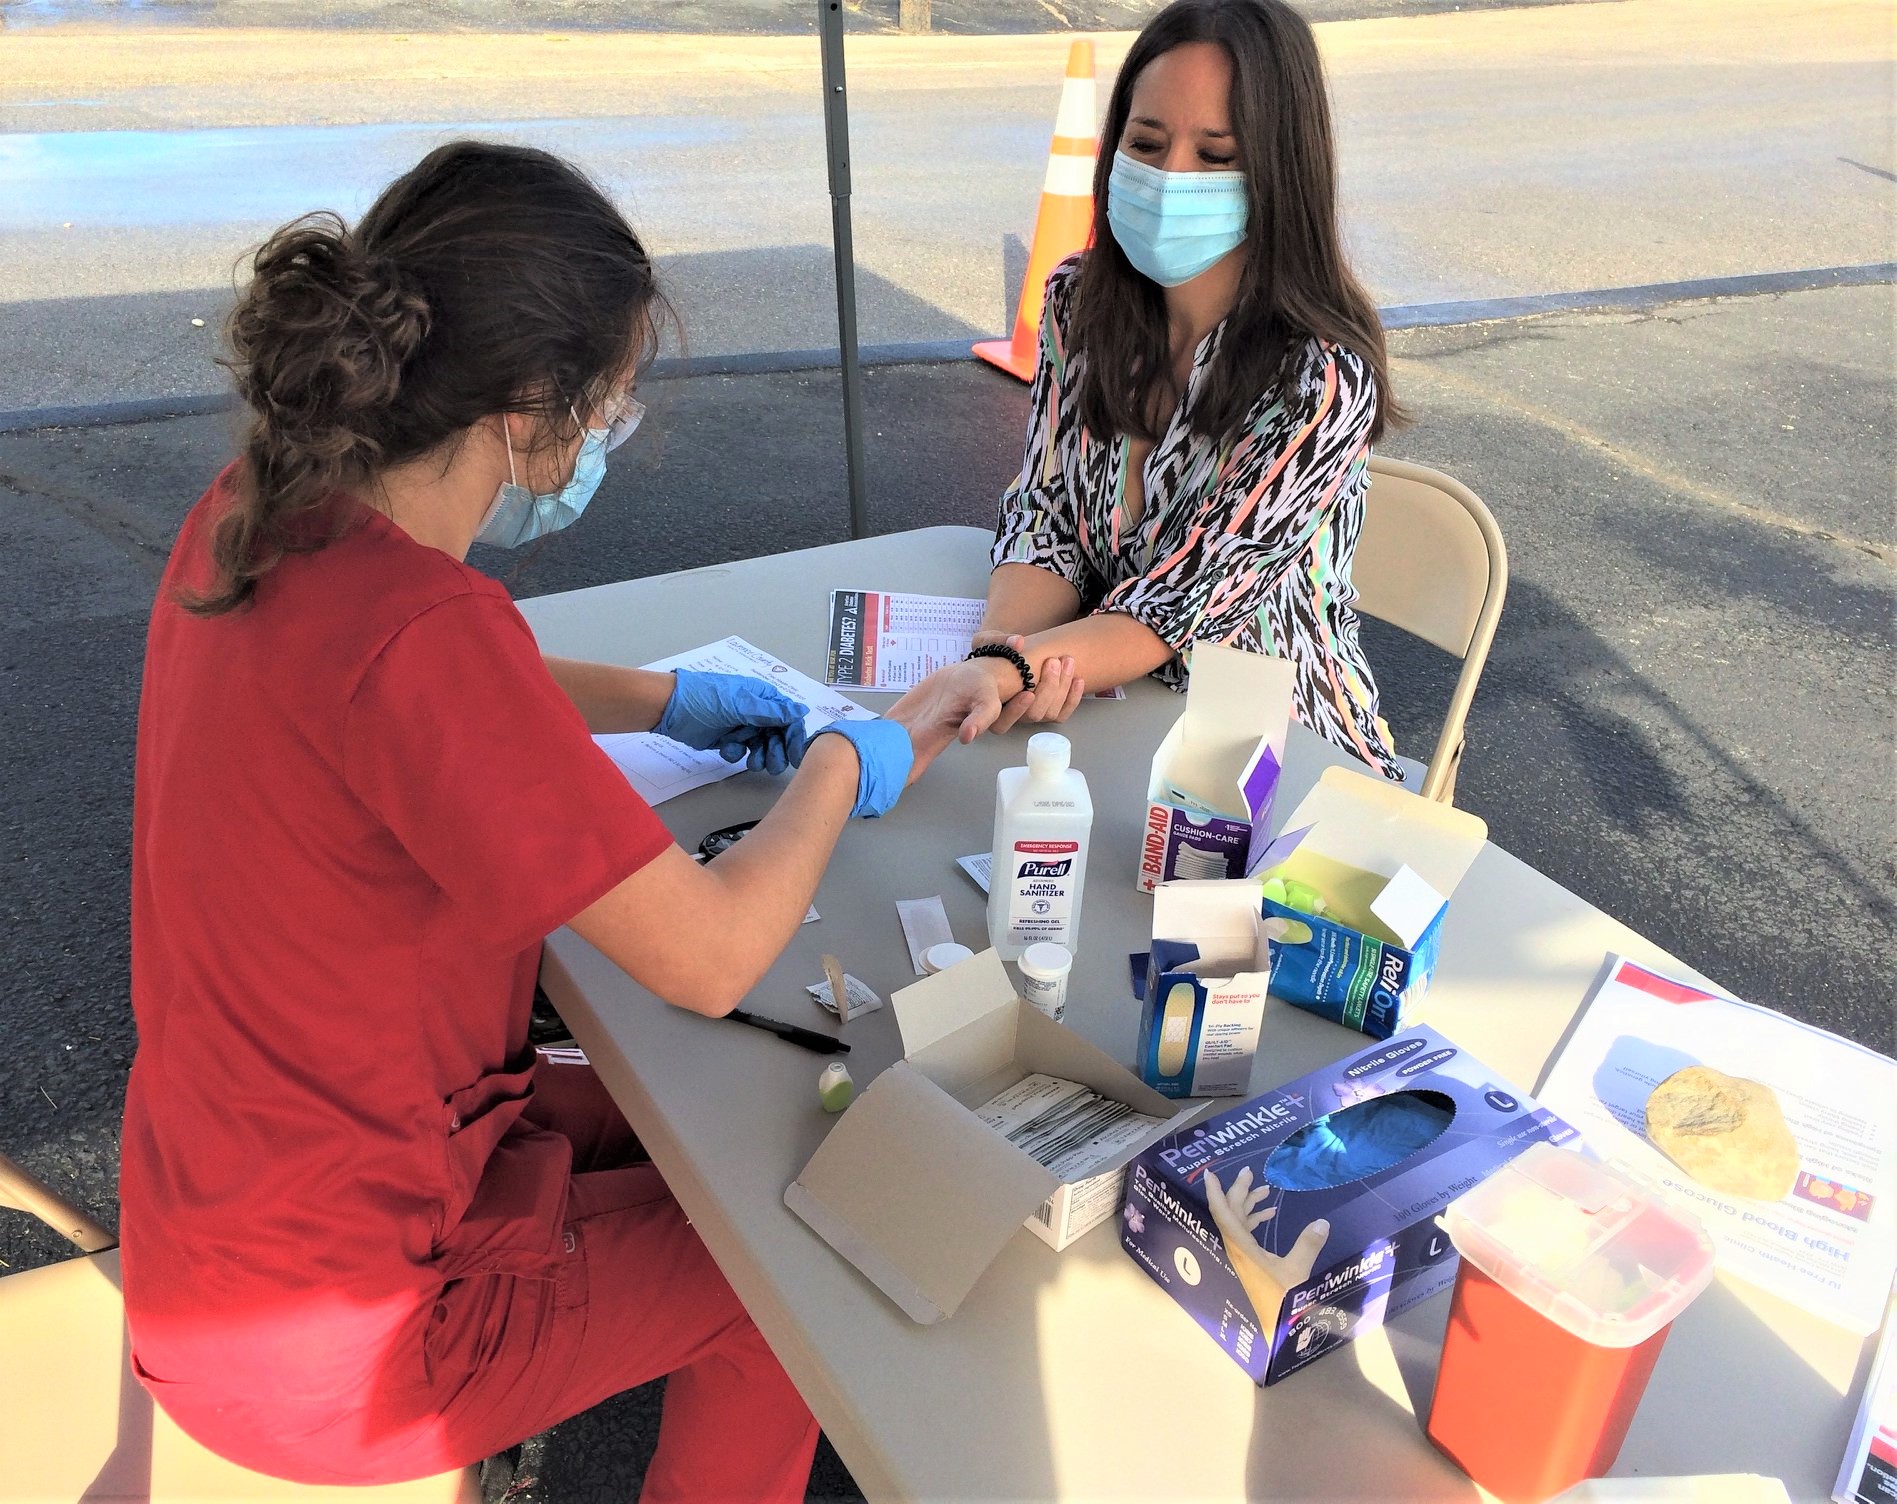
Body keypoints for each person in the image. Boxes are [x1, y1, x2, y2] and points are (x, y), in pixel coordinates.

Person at [118, 141, 1005, 1500]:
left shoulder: (256, 515)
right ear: (529, 406)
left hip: (228, 1227)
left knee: (715, 1118)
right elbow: (709, 958)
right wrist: (841, 759)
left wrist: (667, 698)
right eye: (609, 406)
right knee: (792, 1272)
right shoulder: (425, 636)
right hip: (340, 1343)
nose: (604, 435)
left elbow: (448, 688)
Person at [973, 0, 1405, 778]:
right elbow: (1045, 513)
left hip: (1275, 752)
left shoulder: (1321, 377)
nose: (1169, 177)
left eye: (1215, 155)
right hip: (1107, 709)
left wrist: (1012, 673)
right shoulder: (1077, 302)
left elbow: (1177, 604)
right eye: (1145, 142)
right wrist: (996, 649)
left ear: (1279, 173)